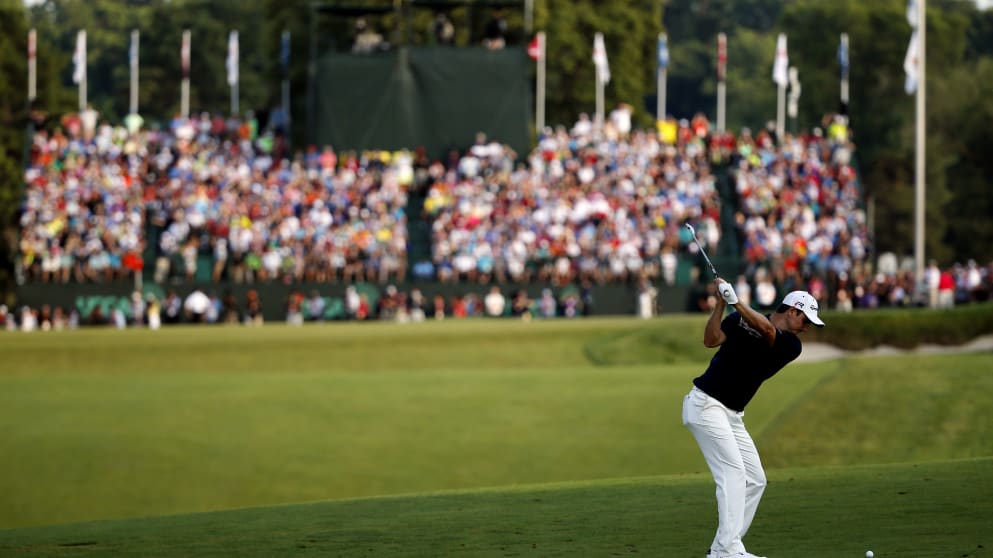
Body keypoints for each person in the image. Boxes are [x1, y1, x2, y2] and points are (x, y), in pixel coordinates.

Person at [682, 278, 824, 558]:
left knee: (755, 479)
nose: (808, 327)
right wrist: (721, 304)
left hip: (732, 415)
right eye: (806, 319)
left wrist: (736, 301)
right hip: (706, 405)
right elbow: (710, 340)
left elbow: (768, 331)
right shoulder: (739, 319)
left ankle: (725, 546)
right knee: (734, 474)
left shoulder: (792, 346)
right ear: (793, 310)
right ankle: (726, 551)